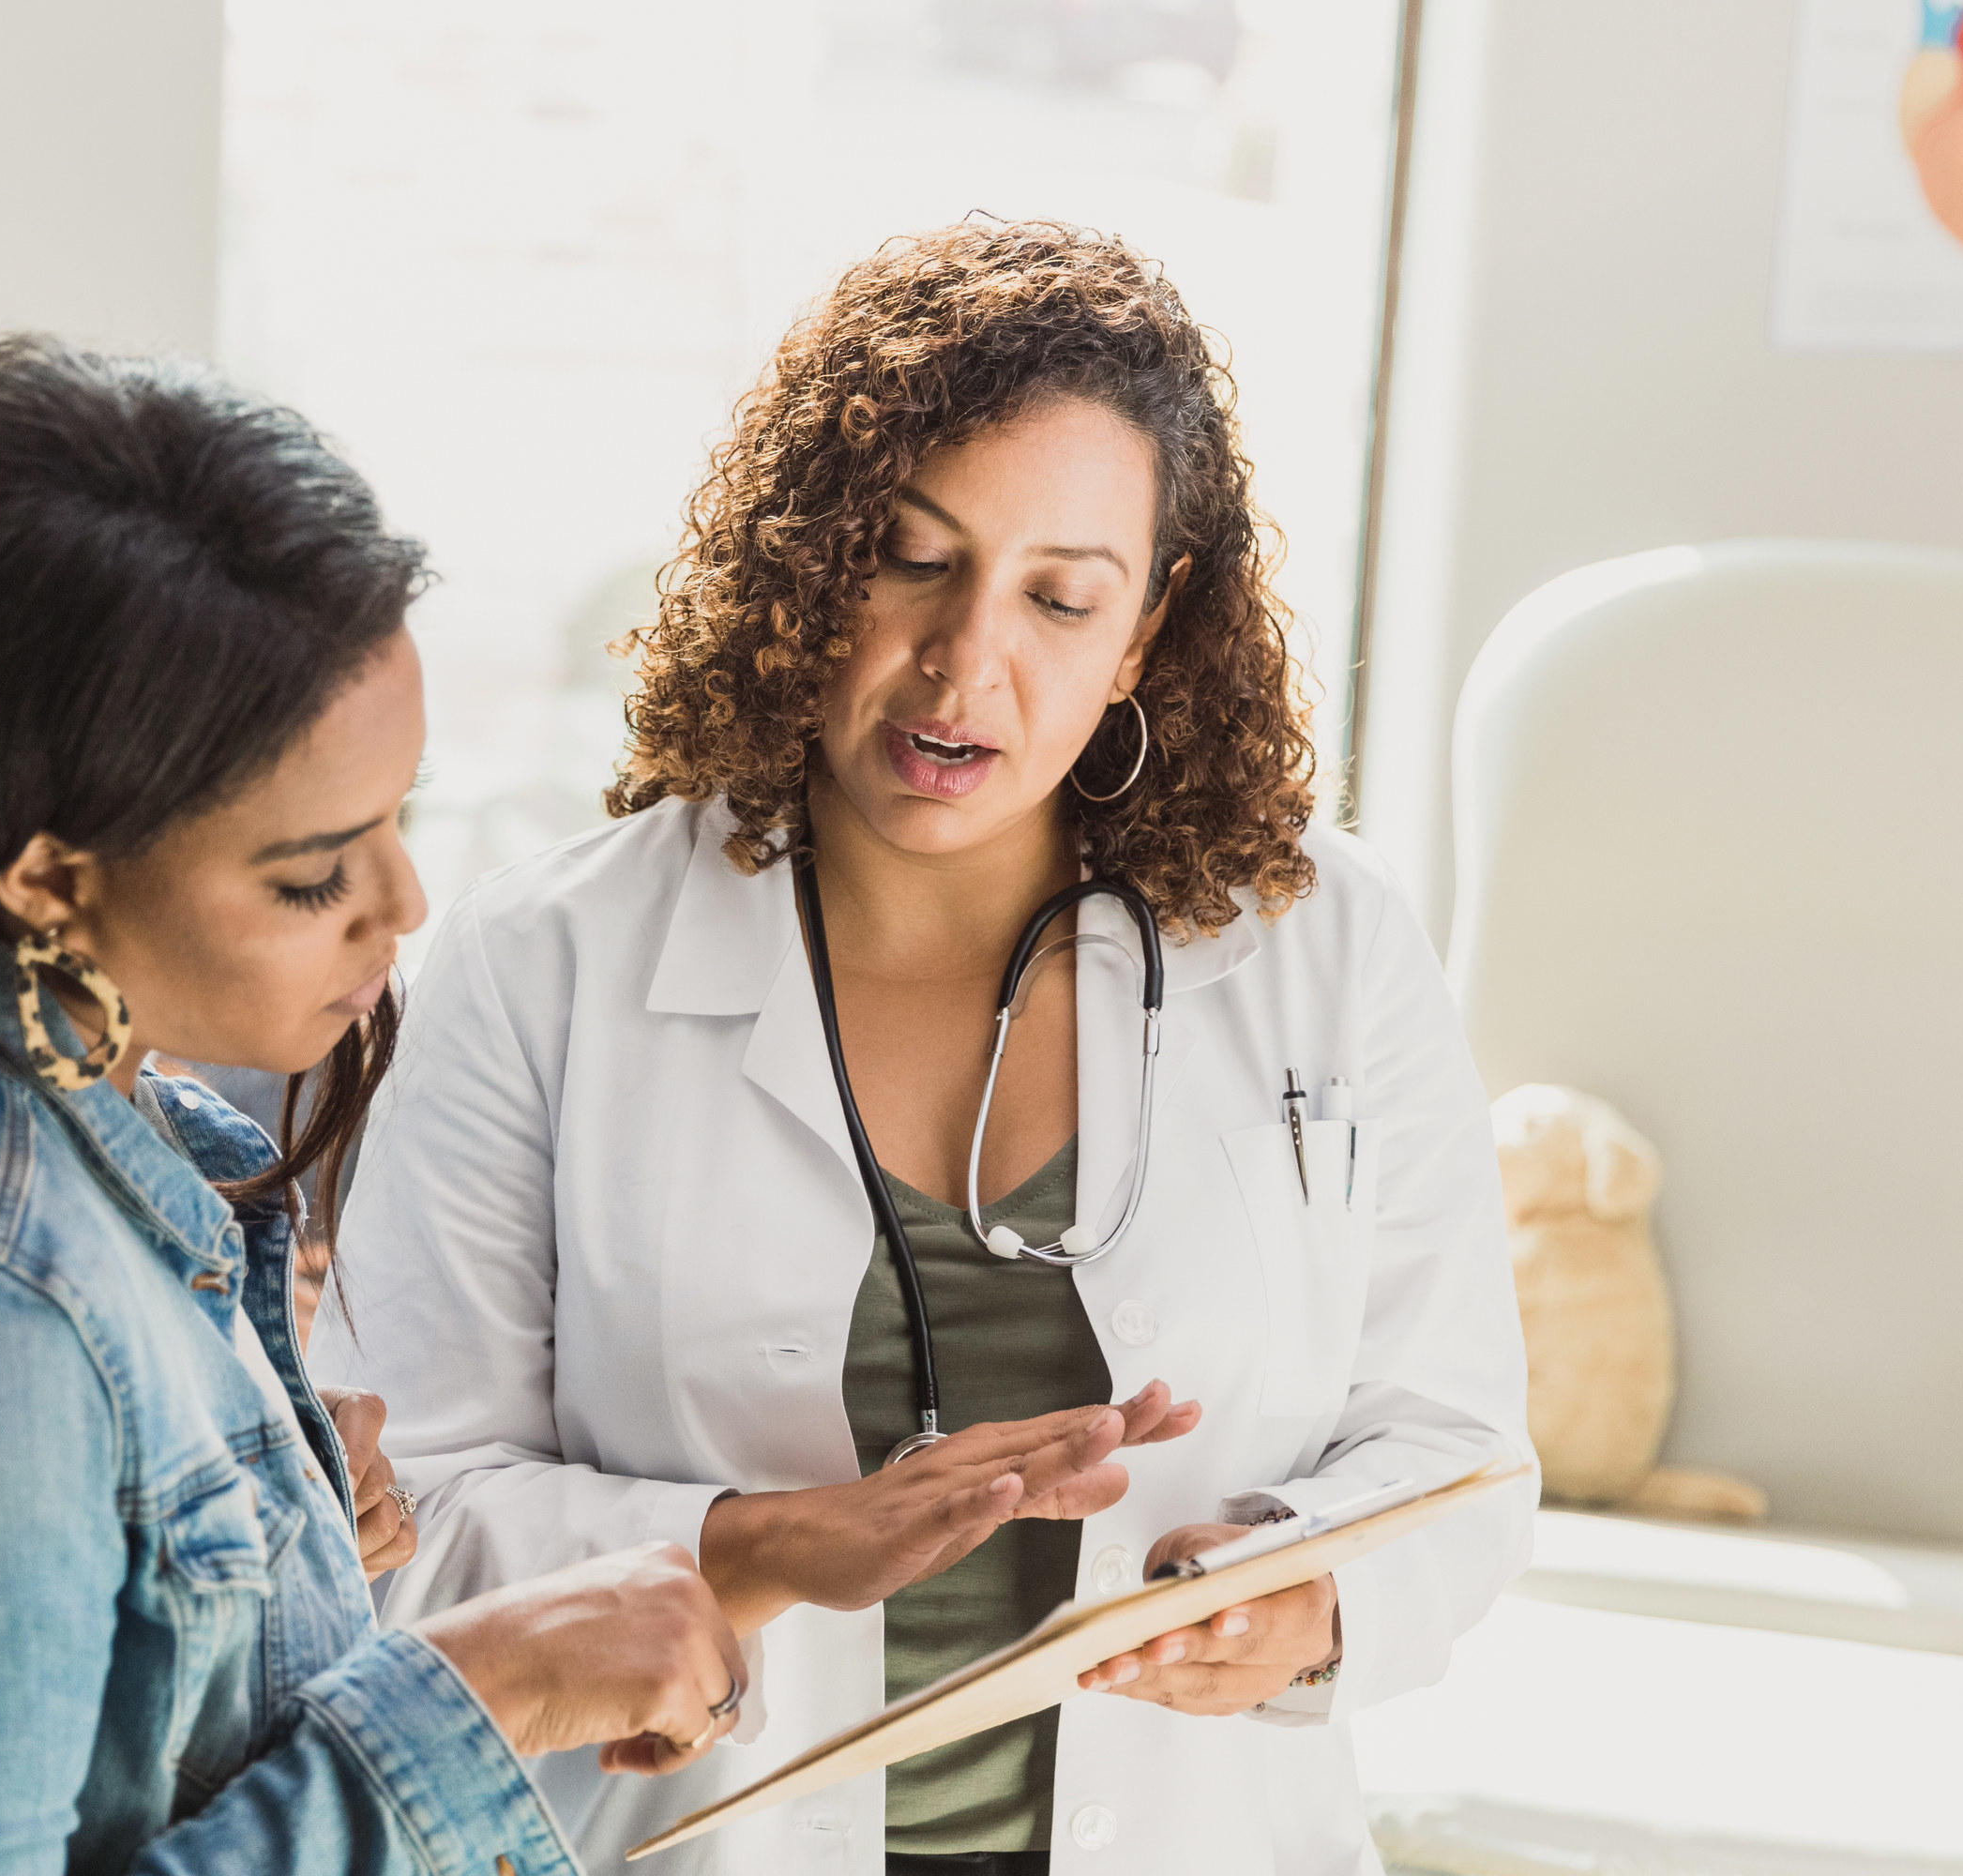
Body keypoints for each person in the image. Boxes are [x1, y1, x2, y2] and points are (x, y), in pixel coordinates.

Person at [315, 223, 1534, 1874]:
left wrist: (1312, 1603)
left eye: (1059, 596)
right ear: (814, 559)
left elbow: (1458, 1449)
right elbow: (392, 1520)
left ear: (1150, 628)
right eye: (912, 558)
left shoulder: (1323, 944)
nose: (968, 659)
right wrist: (757, 1546)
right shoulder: (544, 964)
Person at [0, 338, 752, 1874]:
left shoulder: (101, 1142)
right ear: (47, 877)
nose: (403, 901)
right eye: (312, 872)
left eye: (400, 818)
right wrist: (479, 1697)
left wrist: (292, 1587)